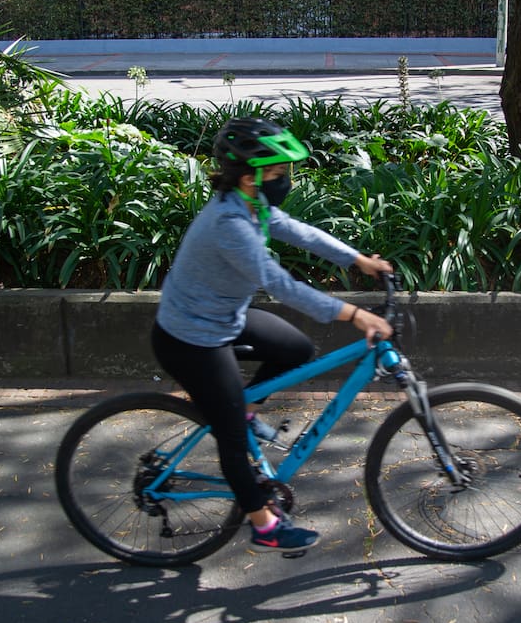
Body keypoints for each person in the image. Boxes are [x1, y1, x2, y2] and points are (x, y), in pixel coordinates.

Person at [151, 118, 394, 553]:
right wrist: (353, 314)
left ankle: (241, 410)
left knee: (295, 348)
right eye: (280, 173)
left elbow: (300, 232)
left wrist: (358, 259)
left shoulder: (252, 205)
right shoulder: (229, 224)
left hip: (224, 316)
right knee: (229, 438)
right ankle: (264, 525)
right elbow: (280, 285)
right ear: (250, 177)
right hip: (191, 339)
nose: (286, 181)